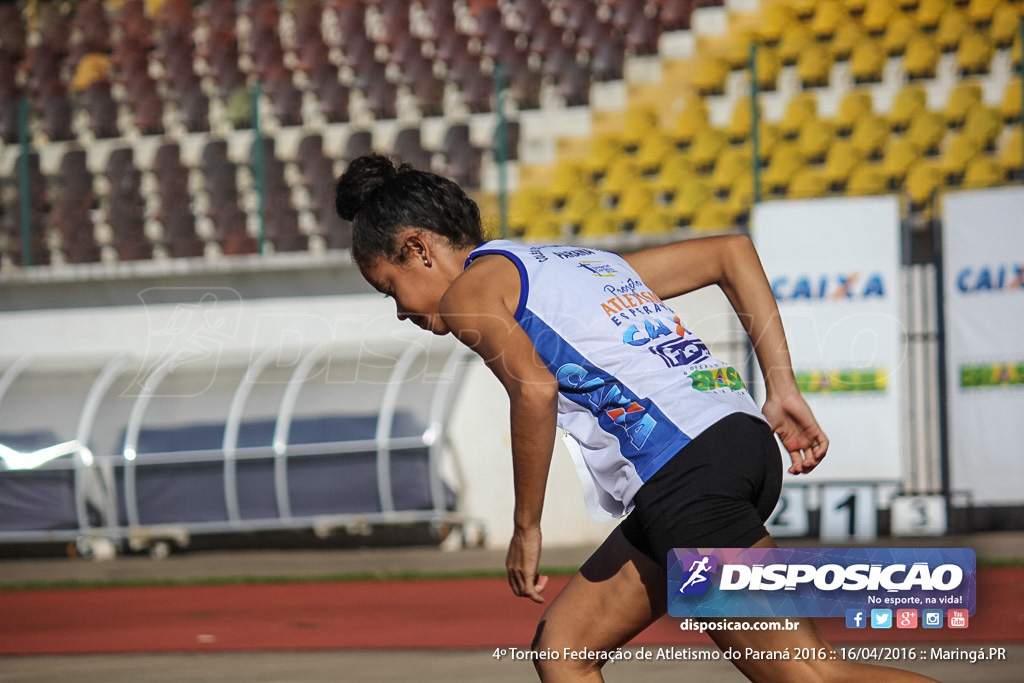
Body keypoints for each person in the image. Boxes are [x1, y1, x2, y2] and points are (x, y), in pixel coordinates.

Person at [335, 154, 938, 683]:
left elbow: (536, 392)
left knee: (806, 674)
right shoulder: (572, 262)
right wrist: (780, 390)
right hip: (732, 447)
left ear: (418, 248)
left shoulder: (469, 293)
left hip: (687, 472)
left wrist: (525, 528)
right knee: (564, 650)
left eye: (390, 289)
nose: (398, 312)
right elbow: (731, 253)